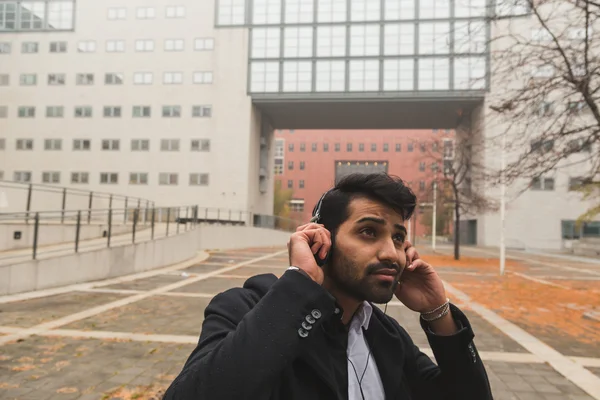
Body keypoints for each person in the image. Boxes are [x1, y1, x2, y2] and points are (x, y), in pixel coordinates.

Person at [164, 173, 493, 400]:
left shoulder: (386, 335)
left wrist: (438, 312)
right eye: (368, 232)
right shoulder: (245, 308)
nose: (391, 253)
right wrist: (301, 282)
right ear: (321, 238)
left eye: (397, 237)